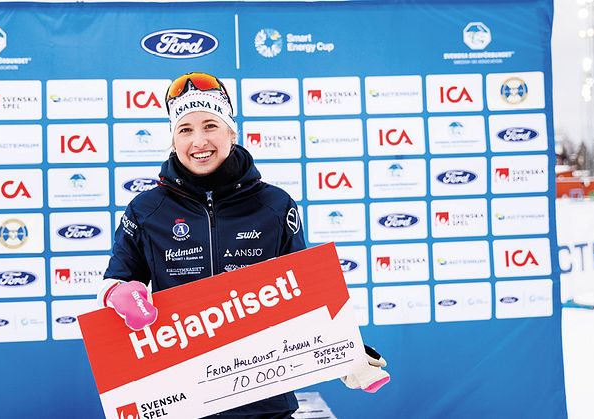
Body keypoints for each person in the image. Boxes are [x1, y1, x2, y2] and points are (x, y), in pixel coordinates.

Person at [97, 72, 388, 419]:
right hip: (180, 399)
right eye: (185, 129)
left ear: (231, 132)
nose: (199, 140)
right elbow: (116, 278)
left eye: (210, 125)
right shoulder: (146, 211)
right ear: (173, 139)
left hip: (264, 399)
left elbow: (307, 294)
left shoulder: (275, 205)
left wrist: (346, 352)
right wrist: (117, 293)